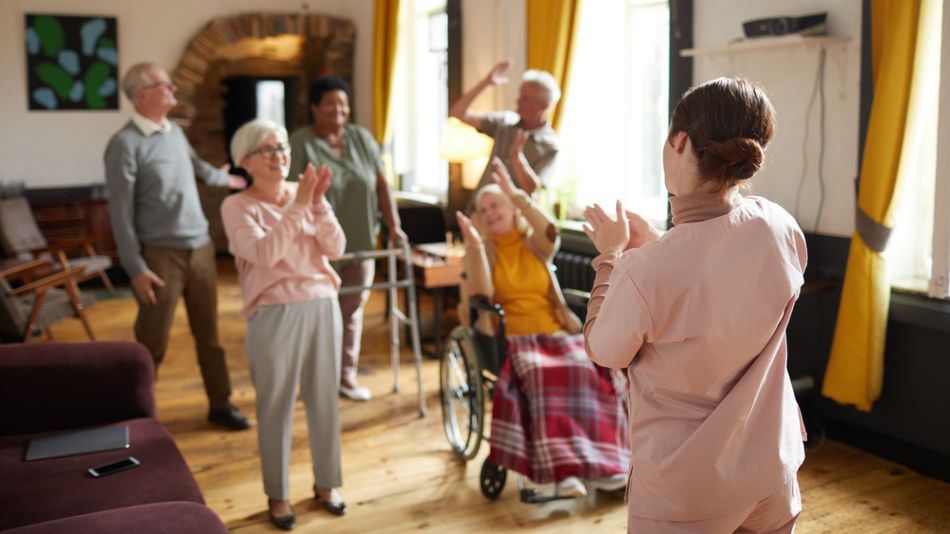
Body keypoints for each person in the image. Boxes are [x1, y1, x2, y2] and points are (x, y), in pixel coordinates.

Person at [582, 77, 807, 533]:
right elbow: (719, 279)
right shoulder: (779, 226)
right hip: (772, 472)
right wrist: (662, 245)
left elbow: (604, 351)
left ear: (680, 141)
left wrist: (611, 258)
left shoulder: (645, 271)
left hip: (687, 491)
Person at [456, 159, 629, 497]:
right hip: (516, 341)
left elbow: (551, 230)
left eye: (496, 204)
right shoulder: (483, 252)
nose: (490, 212)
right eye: (483, 209)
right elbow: (480, 295)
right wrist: (475, 246)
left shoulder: (535, 245)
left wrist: (517, 194)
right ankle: (562, 472)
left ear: (510, 207)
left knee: (593, 369)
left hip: (556, 333)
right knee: (543, 375)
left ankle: (601, 465)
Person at [103, 62, 250, 430]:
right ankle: (135, 417)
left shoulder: (175, 134)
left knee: (210, 338)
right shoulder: (123, 145)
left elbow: (201, 169)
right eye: (163, 84)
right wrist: (135, 268)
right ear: (141, 95)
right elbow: (119, 213)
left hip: (200, 249)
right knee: (151, 344)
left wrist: (234, 179)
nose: (172, 88)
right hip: (160, 257)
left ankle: (221, 404)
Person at [221, 119, 348, 530]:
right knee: (275, 406)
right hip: (275, 312)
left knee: (324, 400)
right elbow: (267, 254)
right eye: (268, 150)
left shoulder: (304, 194)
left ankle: (327, 484)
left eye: (282, 148)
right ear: (245, 161)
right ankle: (278, 495)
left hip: (323, 304)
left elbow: (336, 247)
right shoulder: (237, 206)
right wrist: (299, 206)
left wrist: (319, 203)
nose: (280, 157)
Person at [288, 75, 406, 402]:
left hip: (361, 243)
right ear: (314, 108)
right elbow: (290, 194)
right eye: (329, 104)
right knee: (315, 312)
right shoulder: (300, 142)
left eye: (343, 103)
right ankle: (313, 378)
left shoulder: (361, 138)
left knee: (351, 312)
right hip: (315, 248)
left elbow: (382, 185)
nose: (338, 110)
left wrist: (394, 226)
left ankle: (344, 376)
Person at [450, 59, 560, 197]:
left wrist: (517, 158)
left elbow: (532, 190)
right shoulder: (505, 122)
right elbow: (458, 113)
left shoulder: (550, 146)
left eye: (525, 98)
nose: (517, 101)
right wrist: (485, 83)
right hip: (479, 209)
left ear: (543, 105)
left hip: (509, 217)